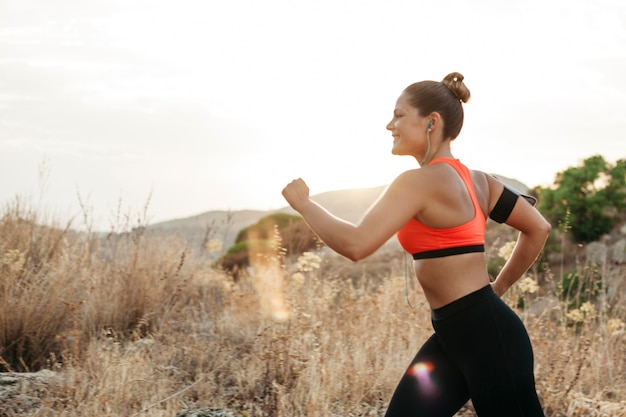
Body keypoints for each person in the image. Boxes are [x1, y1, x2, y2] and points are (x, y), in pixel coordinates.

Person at [281, 72, 551, 417]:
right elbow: (538, 227)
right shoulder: (481, 181)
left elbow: (355, 245)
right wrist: (498, 287)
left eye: (399, 114)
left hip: (487, 339)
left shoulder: (417, 182)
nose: (389, 125)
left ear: (431, 122)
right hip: (458, 335)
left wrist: (305, 205)